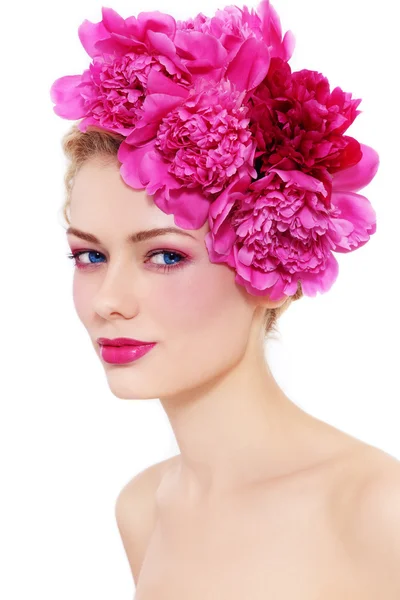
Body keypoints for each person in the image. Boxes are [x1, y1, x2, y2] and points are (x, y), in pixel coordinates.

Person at [50, 1, 400, 598]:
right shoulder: (143, 510)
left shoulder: (377, 510)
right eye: (91, 256)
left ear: (270, 257)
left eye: (165, 256)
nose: (109, 300)